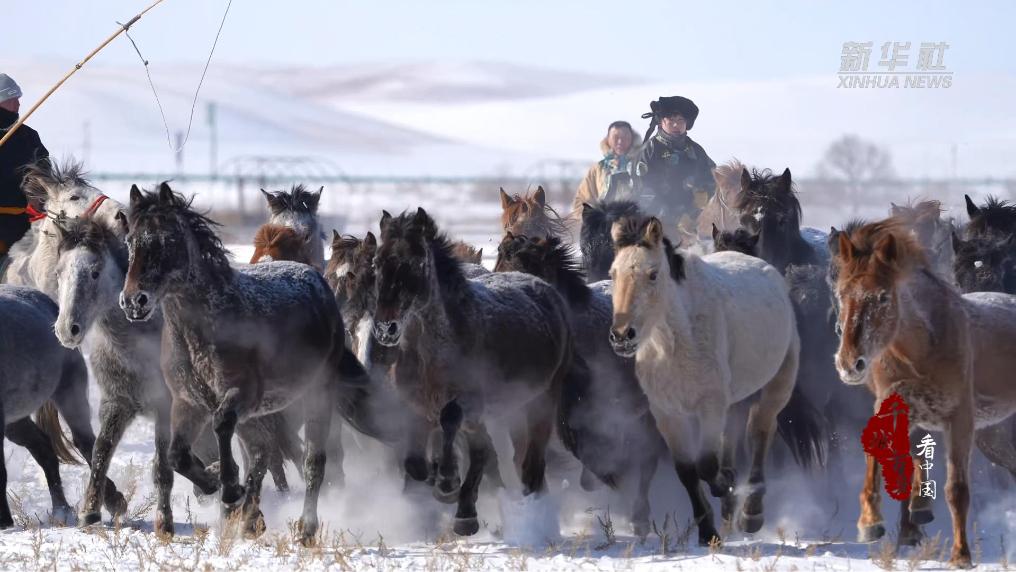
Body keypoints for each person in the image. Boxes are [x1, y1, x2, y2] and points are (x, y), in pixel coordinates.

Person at [633, 95, 716, 232]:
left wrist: (704, 193)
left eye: (680, 120)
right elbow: (643, 191)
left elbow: (713, 177)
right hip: (655, 224)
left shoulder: (695, 150)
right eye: (671, 120)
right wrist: (672, 218)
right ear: (661, 122)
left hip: (693, 221)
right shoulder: (649, 150)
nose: (676, 125)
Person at [0, 73, 49, 258]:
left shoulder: (28, 136)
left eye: (18, 99)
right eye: (11, 100)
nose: (18, 104)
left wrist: (38, 191)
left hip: (24, 225)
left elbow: (44, 171)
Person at [571, 120, 642, 213]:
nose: (620, 141)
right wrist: (592, 217)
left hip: (635, 220)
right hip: (604, 220)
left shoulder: (642, 166)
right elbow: (580, 202)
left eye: (625, 137)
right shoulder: (597, 169)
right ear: (608, 139)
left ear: (632, 139)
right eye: (615, 137)